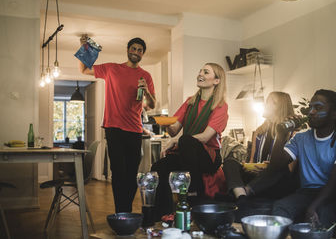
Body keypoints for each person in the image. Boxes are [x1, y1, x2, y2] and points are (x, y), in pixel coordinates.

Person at [78, 35, 156, 213]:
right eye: (134, 48)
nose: (136, 52)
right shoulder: (111, 69)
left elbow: (151, 106)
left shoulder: (146, 76)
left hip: (135, 130)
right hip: (114, 129)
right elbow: (84, 70)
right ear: (128, 50)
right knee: (118, 172)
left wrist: (146, 92)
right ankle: (122, 211)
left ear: (143, 54)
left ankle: (124, 210)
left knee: (131, 174)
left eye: (140, 50)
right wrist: (84, 47)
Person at [268, 89, 336, 230]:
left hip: (333, 194)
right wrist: (281, 135)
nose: (311, 112)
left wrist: (313, 207)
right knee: (281, 207)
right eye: (310, 107)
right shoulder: (301, 137)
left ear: (334, 114)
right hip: (306, 193)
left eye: (318, 108)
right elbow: (275, 167)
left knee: (322, 215)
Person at [151, 63, 228, 219]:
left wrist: (177, 142)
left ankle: (194, 190)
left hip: (209, 156)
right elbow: (174, 130)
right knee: (159, 166)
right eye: (200, 71)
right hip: (187, 153)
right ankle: (163, 213)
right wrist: (164, 122)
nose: (200, 74)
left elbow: (206, 137)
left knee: (186, 140)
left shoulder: (220, 106)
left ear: (216, 81)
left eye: (206, 72)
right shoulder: (190, 102)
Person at [223, 91, 297, 200]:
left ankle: (242, 193)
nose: (265, 105)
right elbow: (253, 160)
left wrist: (271, 166)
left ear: (280, 107)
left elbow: (290, 170)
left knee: (278, 169)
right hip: (255, 176)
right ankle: (240, 195)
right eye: (266, 102)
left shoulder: (292, 134)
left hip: (275, 180)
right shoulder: (259, 132)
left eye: (270, 102)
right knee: (230, 162)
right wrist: (249, 166)